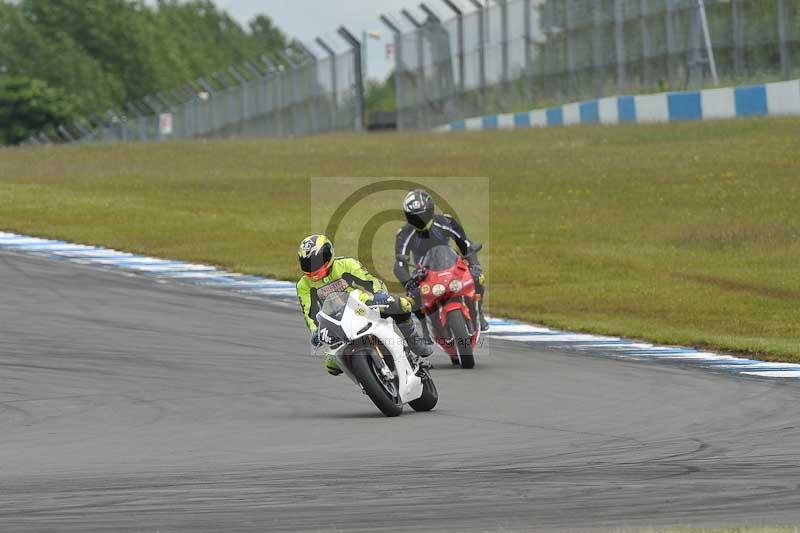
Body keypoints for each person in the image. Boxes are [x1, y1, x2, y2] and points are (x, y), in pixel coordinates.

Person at [296, 234, 432, 375]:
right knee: (332, 366)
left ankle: (414, 341)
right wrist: (315, 331)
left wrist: (379, 294)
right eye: (307, 263)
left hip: (363, 305)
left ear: (327, 256)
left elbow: (369, 282)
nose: (312, 267)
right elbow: (310, 312)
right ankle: (366, 381)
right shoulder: (303, 285)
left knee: (401, 305)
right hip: (336, 323)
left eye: (316, 262)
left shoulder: (347, 264)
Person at [394, 189, 489, 339]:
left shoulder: (445, 222)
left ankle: (479, 312)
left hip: (452, 263)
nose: (417, 219)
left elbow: (465, 244)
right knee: (413, 295)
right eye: (413, 216)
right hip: (423, 271)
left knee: (478, 278)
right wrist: (408, 283)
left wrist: (474, 265)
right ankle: (425, 328)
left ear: (429, 210)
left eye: (420, 215)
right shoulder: (404, 234)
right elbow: (400, 264)